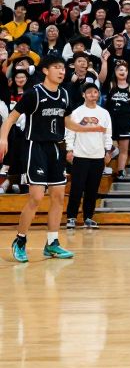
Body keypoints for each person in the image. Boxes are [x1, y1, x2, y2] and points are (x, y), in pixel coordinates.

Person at [0, 56, 90, 260]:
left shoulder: (65, 94)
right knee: (37, 197)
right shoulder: (34, 94)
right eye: (56, 68)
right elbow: (11, 119)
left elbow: (67, 122)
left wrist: (87, 127)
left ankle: (52, 243)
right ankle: (20, 239)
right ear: (45, 71)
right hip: (35, 148)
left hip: (55, 149)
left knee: (58, 197)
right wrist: (3, 139)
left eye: (62, 68)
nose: (61, 71)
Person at [63, 82, 112, 229]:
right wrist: (69, 149)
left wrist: (107, 150)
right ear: (83, 95)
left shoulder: (104, 113)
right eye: (89, 92)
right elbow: (70, 132)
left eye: (95, 92)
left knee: (92, 189)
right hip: (80, 155)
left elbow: (108, 133)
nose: (92, 95)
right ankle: (71, 217)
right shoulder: (77, 112)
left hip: (97, 156)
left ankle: (88, 217)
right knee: (76, 188)